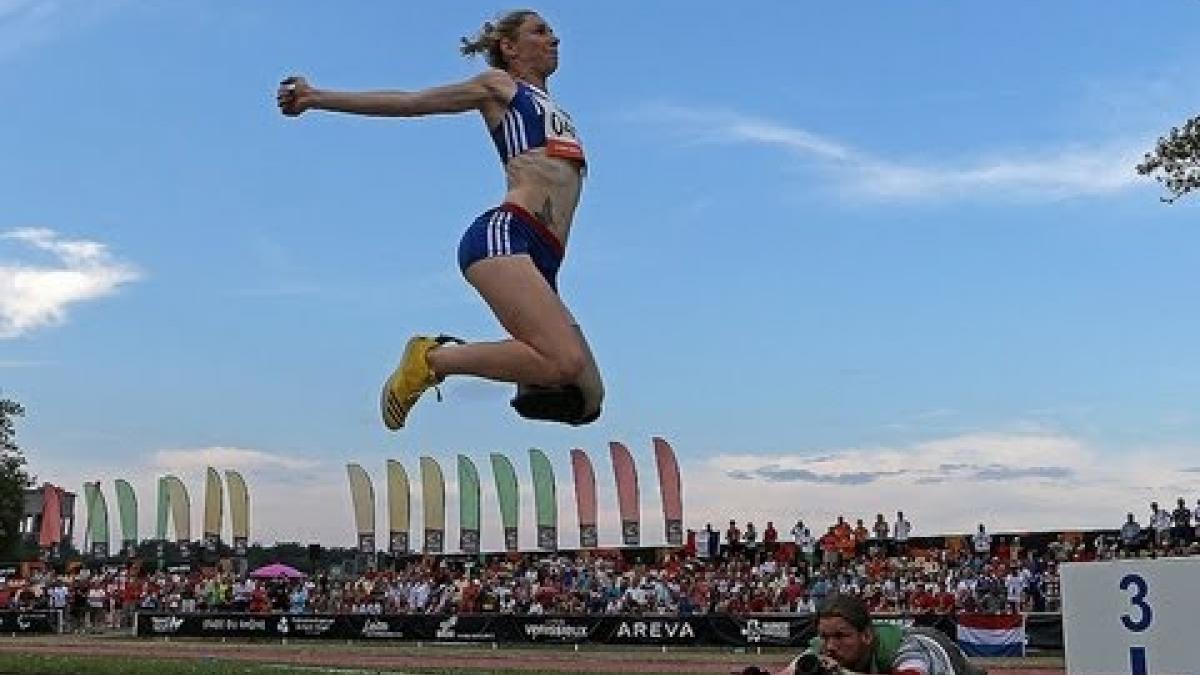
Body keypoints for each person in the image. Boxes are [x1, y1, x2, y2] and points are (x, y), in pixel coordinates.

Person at [277, 9, 603, 429]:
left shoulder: (554, 110)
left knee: (588, 398)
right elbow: (412, 102)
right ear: (509, 47)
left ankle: (529, 374)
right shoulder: (501, 87)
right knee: (564, 361)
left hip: (546, 257)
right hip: (507, 236)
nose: (554, 39)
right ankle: (431, 359)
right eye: (540, 32)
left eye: (553, 32)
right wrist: (316, 97)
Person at [775, 594, 985, 675]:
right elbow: (793, 668)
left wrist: (841, 673)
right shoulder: (822, 649)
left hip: (942, 653)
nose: (830, 646)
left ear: (866, 636)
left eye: (841, 636)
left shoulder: (907, 650)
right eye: (825, 637)